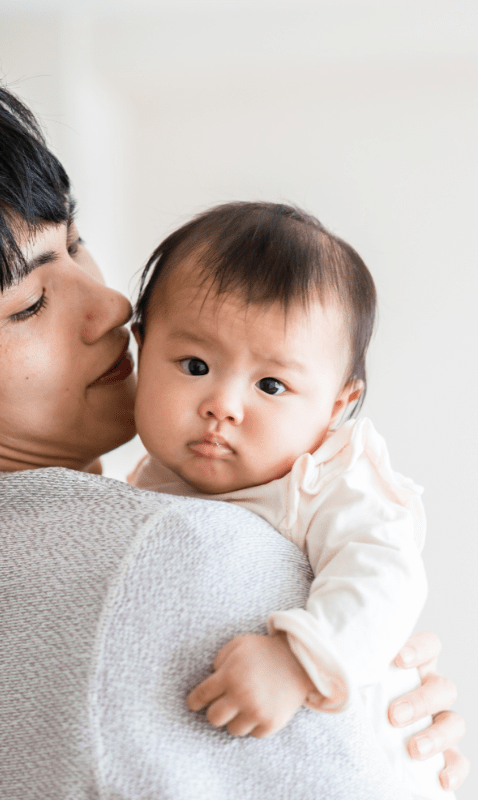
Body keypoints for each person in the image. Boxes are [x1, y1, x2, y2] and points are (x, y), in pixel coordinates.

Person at [0, 61, 467, 799]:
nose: (111, 306)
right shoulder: (180, 557)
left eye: (74, 243)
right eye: (30, 303)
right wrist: (385, 726)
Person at [128, 202, 449, 798]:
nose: (222, 403)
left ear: (334, 406)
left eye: (271, 385)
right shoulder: (146, 483)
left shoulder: (328, 479)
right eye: (194, 364)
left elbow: (385, 574)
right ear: (142, 351)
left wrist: (297, 662)